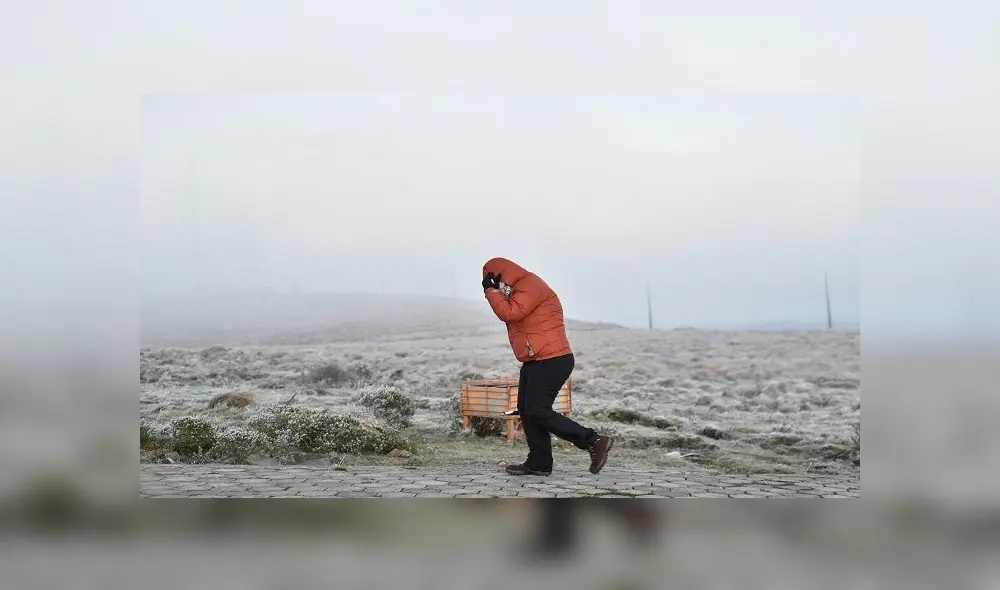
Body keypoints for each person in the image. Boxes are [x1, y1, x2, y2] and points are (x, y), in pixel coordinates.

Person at [480, 257, 614, 475]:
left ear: (501, 275)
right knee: (527, 411)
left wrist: (491, 293)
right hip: (535, 360)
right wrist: (496, 293)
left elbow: (510, 313)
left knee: (537, 410)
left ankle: (594, 440)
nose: (493, 286)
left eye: (493, 280)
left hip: (553, 359)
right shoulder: (516, 291)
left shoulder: (530, 285)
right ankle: (539, 463)